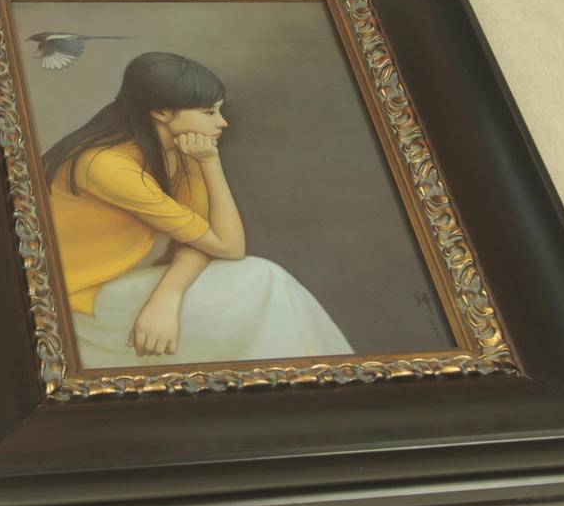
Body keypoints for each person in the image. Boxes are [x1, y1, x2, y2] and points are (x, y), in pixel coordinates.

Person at [43, 51, 353, 368]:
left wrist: (168, 295)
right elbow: (230, 246)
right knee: (263, 278)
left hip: (115, 289)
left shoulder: (175, 151)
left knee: (265, 281)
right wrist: (209, 162)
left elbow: (210, 239)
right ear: (162, 112)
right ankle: (319, 377)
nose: (222, 122)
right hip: (73, 302)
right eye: (209, 112)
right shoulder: (106, 166)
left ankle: (322, 376)